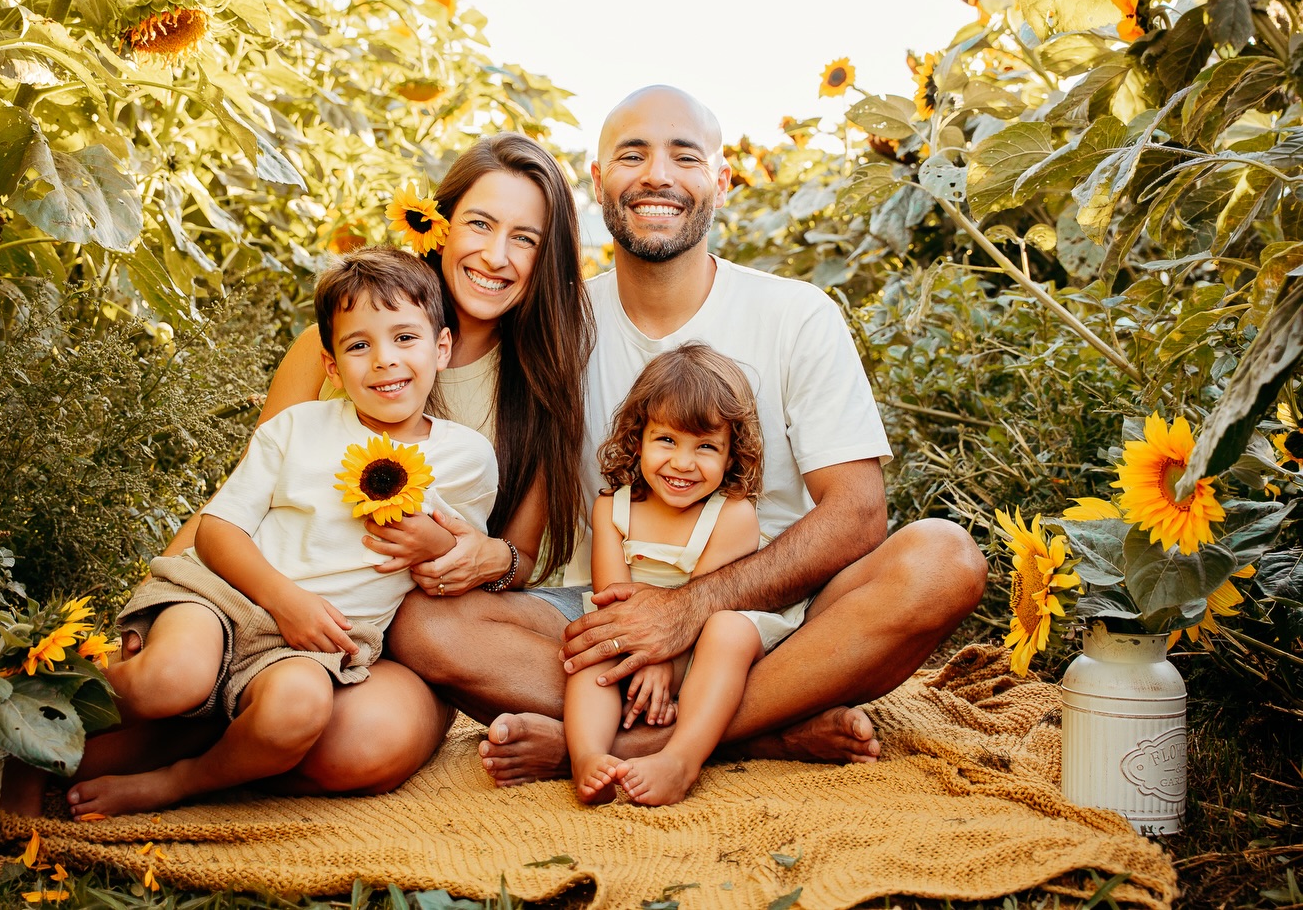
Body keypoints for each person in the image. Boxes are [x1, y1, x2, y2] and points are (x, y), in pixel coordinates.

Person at [386, 85, 989, 786]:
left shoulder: (797, 315)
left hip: (783, 622)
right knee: (424, 626)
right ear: (597, 180)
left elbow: (858, 512)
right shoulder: (557, 324)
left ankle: (637, 744)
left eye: (685, 156)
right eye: (632, 155)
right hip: (602, 614)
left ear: (722, 181)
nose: (657, 176)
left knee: (944, 557)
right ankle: (760, 730)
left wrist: (688, 610)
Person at [79, 132, 595, 803]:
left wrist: (481, 557)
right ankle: (167, 720)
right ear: (439, 227)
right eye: (479, 224)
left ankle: (207, 752)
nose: (497, 255)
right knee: (167, 680)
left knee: (364, 748)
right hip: (251, 593)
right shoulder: (341, 341)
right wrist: (143, 608)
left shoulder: (541, 383)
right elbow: (240, 497)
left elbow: (522, 557)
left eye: (525, 238)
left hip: (366, 638)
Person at [66, 248, 496, 817]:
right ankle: (41, 710)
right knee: (170, 678)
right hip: (227, 596)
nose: (384, 360)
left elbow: (460, 555)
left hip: (315, 648)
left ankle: (180, 782)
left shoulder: (466, 456)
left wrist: (435, 546)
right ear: (331, 365)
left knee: (297, 711)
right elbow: (218, 531)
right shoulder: (299, 428)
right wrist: (283, 598)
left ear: (441, 347)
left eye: (404, 338)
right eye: (359, 345)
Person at [569, 342, 801, 807]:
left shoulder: (733, 516)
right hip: (638, 636)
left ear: (733, 454)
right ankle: (588, 757)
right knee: (592, 647)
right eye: (667, 440)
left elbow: (703, 606)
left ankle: (681, 759)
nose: (683, 463)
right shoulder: (611, 509)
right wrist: (647, 656)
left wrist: (663, 660)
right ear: (637, 439)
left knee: (727, 631)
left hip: (707, 642)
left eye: (707, 447)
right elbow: (614, 600)